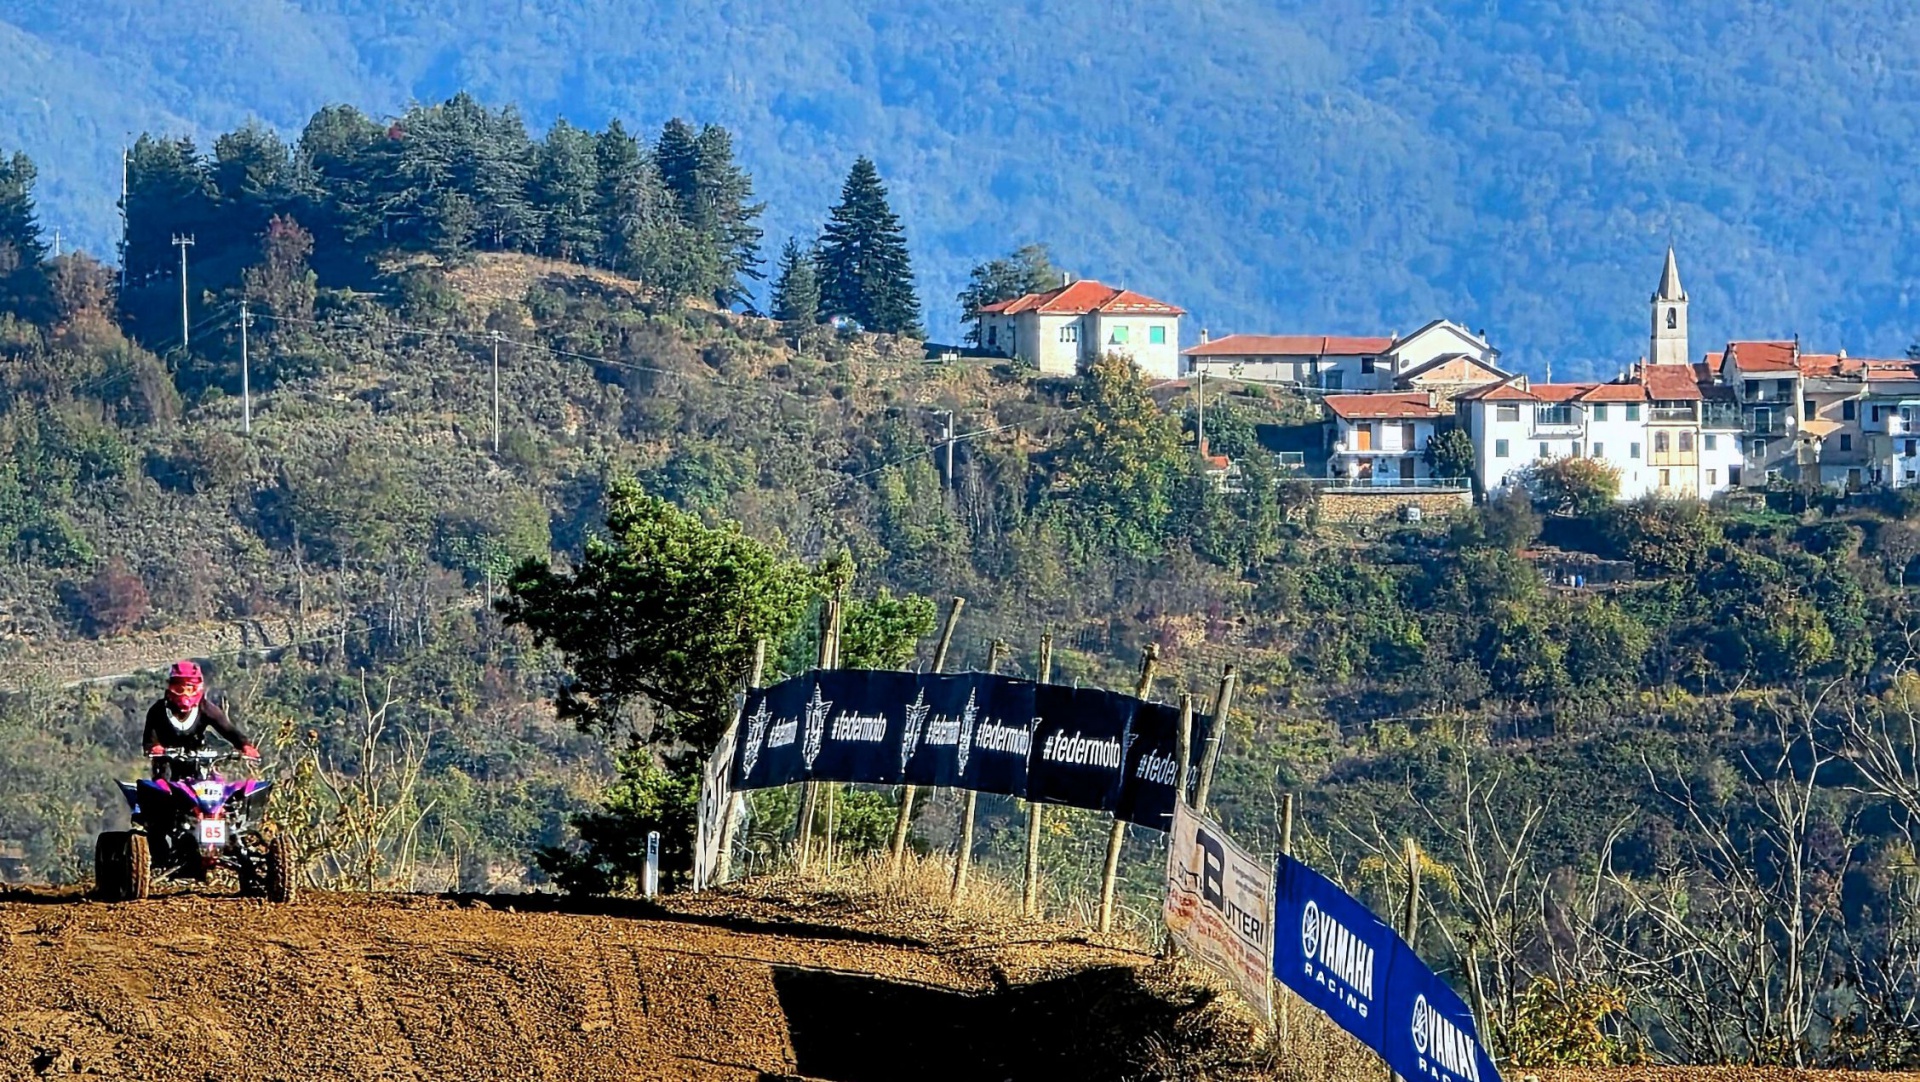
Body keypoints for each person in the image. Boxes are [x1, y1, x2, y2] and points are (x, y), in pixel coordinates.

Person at [143, 660, 257, 779]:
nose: (185, 695)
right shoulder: (158, 710)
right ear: (170, 688)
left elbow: (228, 729)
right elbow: (150, 739)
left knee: (213, 782)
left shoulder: (206, 709)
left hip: (198, 760)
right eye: (179, 689)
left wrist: (244, 745)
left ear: (198, 689)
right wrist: (155, 747)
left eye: (190, 690)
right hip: (166, 765)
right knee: (162, 784)